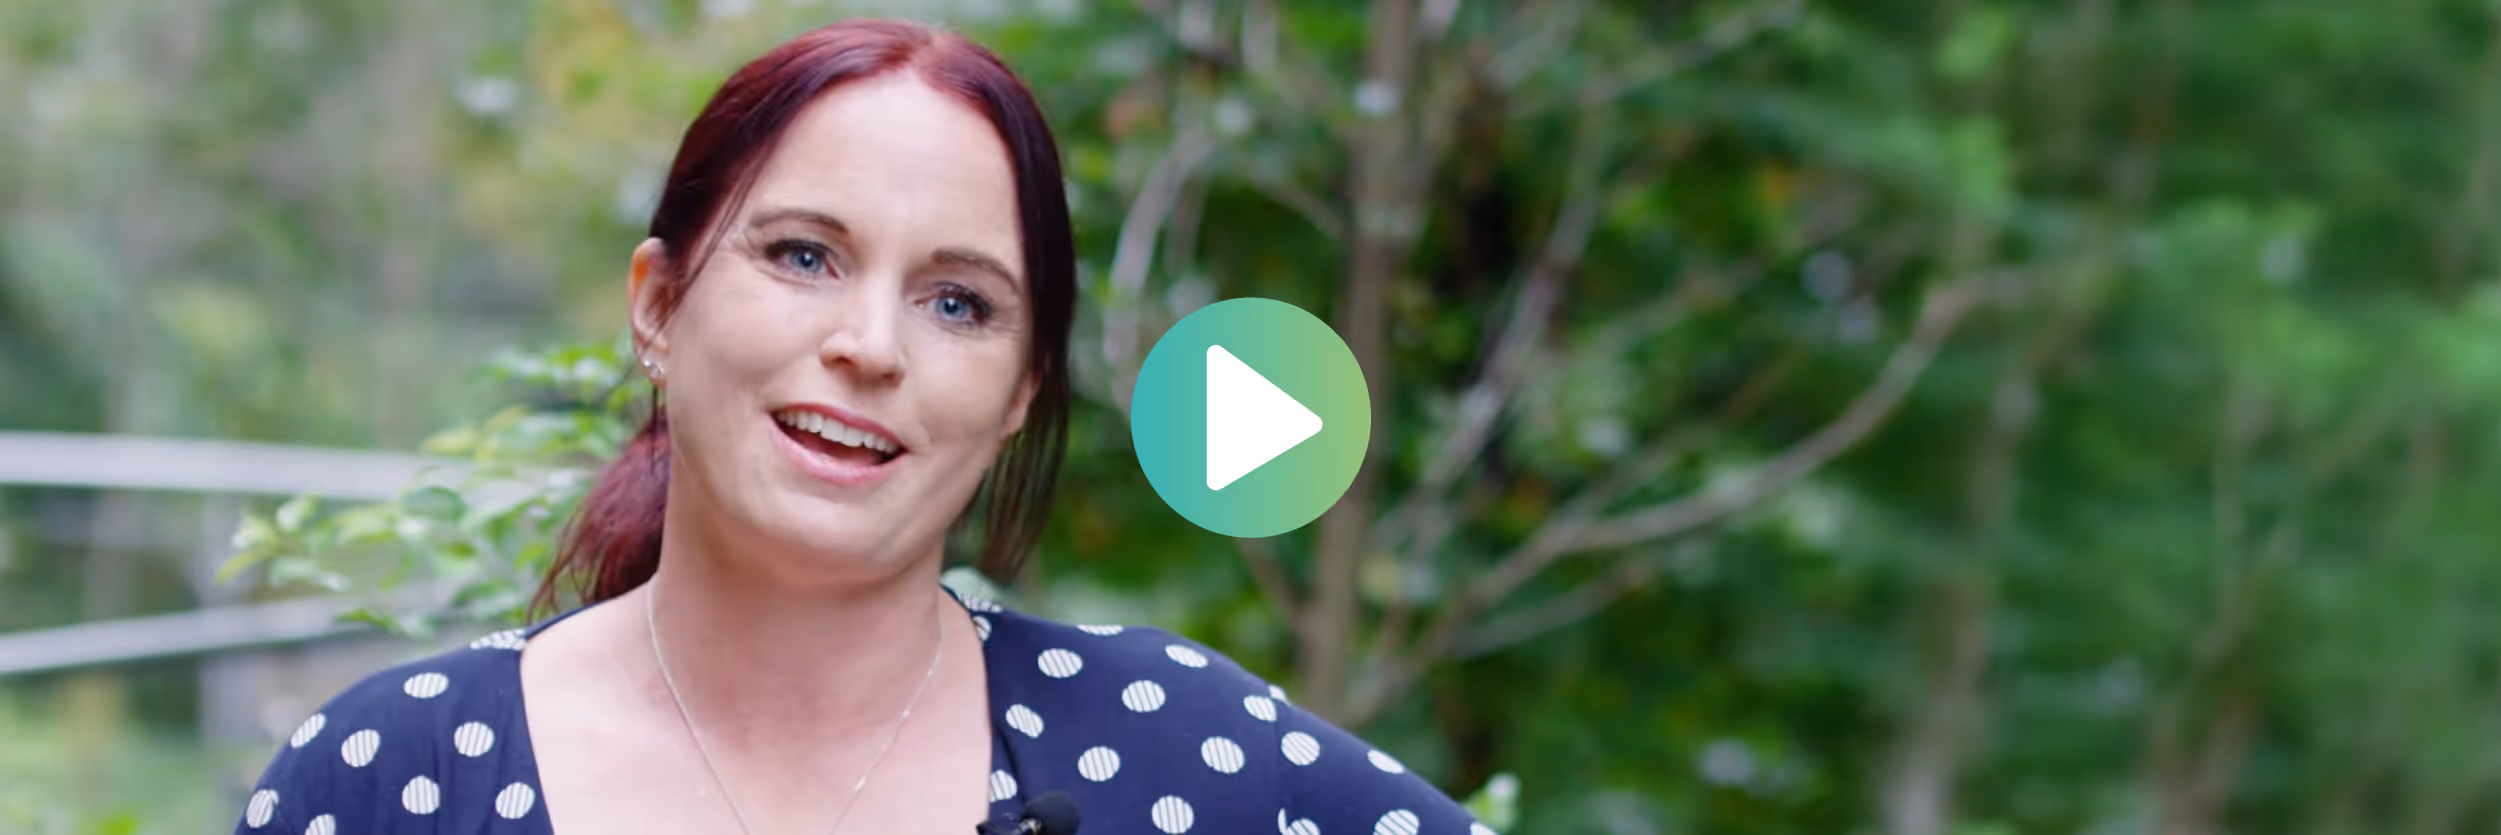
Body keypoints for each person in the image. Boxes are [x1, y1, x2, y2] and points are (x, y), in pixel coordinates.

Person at [233, 18, 1488, 835]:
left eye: (957, 301)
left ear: (1016, 394)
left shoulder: (1179, 752)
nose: (871, 347)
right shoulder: (385, 775)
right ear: (658, 305)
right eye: (802, 255)